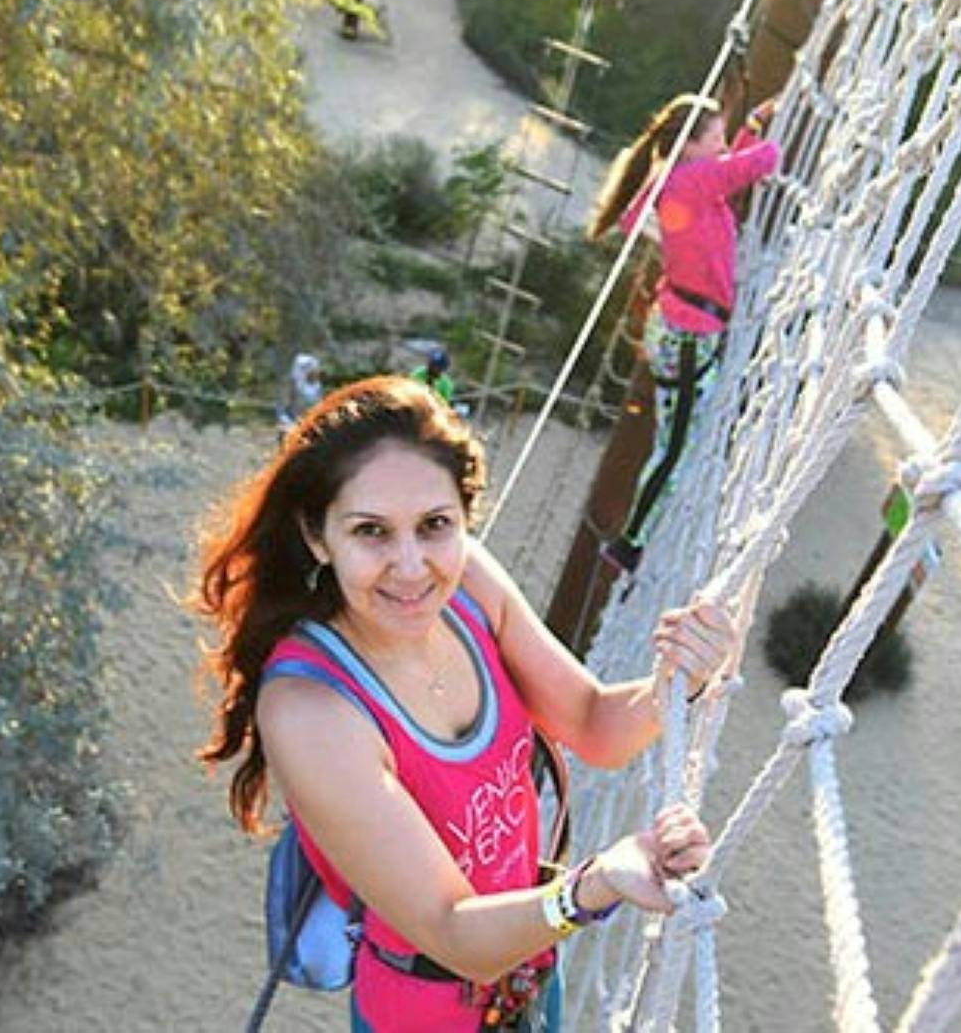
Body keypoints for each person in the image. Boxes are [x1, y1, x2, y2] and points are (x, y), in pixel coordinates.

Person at [195, 377, 739, 1032]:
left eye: (434, 526)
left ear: (463, 516)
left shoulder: (469, 585)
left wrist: (681, 678)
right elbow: (452, 933)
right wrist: (593, 886)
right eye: (371, 532)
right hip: (426, 1009)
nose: (410, 566)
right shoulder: (310, 709)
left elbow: (596, 725)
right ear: (317, 537)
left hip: (529, 967)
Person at [587, 93, 780, 574]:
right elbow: (761, 162)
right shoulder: (692, 180)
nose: (721, 142)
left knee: (680, 434)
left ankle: (637, 535)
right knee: (675, 447)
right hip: (689, 334)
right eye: (714, 134)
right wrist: (760, 132)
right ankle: (630, 543)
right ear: (690, 146)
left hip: (680, 324)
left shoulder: (680, 178)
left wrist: (751, 122)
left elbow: (729, 166)